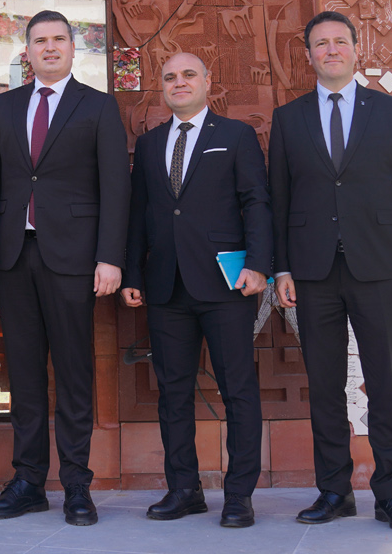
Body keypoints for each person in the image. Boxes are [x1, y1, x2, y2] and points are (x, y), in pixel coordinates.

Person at [270, 11, 392, 534]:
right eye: (321, 43)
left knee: (384, 384)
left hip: (379, 268)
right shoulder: (288, 118)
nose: (331, 50)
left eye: (340, 41)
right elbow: (279, 200)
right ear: (309, 55)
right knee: (325, 387)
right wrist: (281, 269)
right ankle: (334, 491)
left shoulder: (391, 112)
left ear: (357, 50)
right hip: (312, 272)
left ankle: (391, 495)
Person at [0, 10, 130, 526]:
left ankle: (76, 484)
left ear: (72, 47)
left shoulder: (98, 106)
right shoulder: (4, 106)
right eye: (40, 40)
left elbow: (116, 187)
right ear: (27, 51)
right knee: (22, 373)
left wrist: (110, 257)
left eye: (58, 39)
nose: (49, 47)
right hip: (14, 257)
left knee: (72, 371)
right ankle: (27, 481)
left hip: (75, 257)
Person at [121, 51, 272, 528]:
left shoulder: (235, 135)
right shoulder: (149, 144)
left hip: (226, 285)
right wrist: (132, 275)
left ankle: (239, 494)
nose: (179, 83)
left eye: (188, 75)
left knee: (238, 390)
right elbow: (139, 214)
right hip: (166, 287)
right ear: (162, 87)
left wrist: (259, 266)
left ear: (208, 82)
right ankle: (183, 490)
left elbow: (257, 202)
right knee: (173, 394)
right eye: (170, 77)